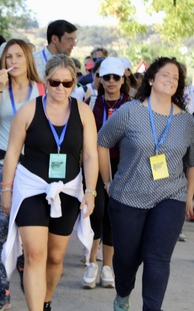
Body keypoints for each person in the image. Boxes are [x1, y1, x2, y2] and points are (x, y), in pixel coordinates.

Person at [1, 54, 98, 311]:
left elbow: (89, 155)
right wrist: (6, 190)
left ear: (74, 83)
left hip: (68, 189)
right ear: (46, 80)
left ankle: (45, 301)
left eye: (67, 84)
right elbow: (12, 152)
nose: (60, 88)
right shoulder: (29, 110)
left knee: (55, 257)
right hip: (32, 186)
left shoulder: (84, 112)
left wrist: (91, 191)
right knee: (35, 254)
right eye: (55, 82)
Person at [98, 57, 194, 311]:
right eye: (166, 75)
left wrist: (189, 196)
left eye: (176, 78)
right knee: (127, 259)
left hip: (170, 196)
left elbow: (191, 162)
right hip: (127, 195)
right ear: (151, 79)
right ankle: (123, 294)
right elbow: (102, 141)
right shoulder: (130, 112)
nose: (171, 80)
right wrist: (107, 181)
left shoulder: (187, 122)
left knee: (158, 258)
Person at [0, 39, 44, 310]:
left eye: (19, 56)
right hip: (0, 166)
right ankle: (1, 292)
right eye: (8, 57)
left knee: (32, 234)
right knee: (0, 231)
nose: (13, 61)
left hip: (34, 169)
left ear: (28, 59)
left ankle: (28, 277)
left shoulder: (41, 89)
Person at [81, 57, 130, 290]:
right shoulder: (90, 103)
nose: (111, 81)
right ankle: (92, 262)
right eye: (106, 77)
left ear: (123, 79)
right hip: (93, 164)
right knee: (96, 213)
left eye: (116, 77)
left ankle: (107, 266)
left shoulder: (132, 104)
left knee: (113, 215)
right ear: (99, 79)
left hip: (123, 165)